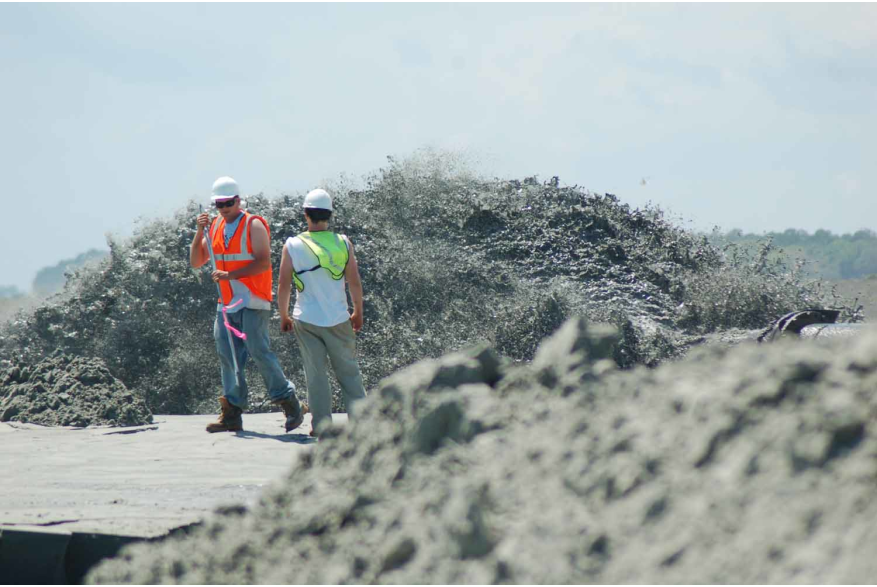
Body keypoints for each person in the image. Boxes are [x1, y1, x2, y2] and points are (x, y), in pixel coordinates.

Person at [189, 176, 306, 433]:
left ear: (238, 200)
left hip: (253, 300)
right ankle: (232, 411)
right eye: (219, 204)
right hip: (227, 302)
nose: (224, 208)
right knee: (227, 355)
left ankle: (289, 401)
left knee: (258, 350)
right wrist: (199, 232)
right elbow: (197, 261)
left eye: (228, 203)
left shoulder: (253, 224)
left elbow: (264, 262)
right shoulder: (215, 227)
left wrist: (229, 275)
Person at [277, 188, 367, 438]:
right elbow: (354, 282)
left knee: (315, 375)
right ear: (329, 214)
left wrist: (284, 315)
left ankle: (322, 426)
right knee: (349, 373)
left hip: (305, 319)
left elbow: (284, 284)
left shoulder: (293, 244)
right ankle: (361, 425)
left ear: (305, 214)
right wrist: (358, 310)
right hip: (338, 318)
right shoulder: (343, 242)